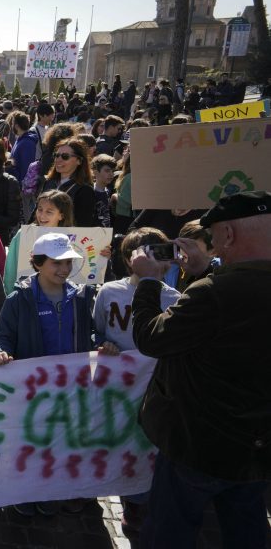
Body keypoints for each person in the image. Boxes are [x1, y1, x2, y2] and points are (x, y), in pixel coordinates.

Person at [129, 191, 271, 548]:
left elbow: (152, 338)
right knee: (247, 530)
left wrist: (147, 282)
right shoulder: (217, 286)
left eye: (215, 235)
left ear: (229, 235)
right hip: (257, 448)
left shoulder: (215, 292)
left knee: (168, 533)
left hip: (198, 444)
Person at [0, 232, 97, 517]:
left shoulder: (81, 297)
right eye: (56, 263)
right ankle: (25, 493)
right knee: (30, 441)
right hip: (32, 392)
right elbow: (3, 335)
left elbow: (89, 333)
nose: (64, 269)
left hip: (69, 389)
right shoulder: (18, 300)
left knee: (59, 441)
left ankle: (50, 491)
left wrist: (102, 344)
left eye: (68, 263)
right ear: (38, 263)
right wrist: (0, 351)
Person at [93, 227, 181, 531]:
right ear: (132, 260)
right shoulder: (109, 292)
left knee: (148, 443)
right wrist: (102, 344)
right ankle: (130, 499)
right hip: (116, 388)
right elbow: (98, 330)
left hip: (155, 386)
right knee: (119, 440)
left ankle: (143, 502)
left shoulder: (175, 299)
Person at [42, 137, 98, 227]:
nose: (58, 159)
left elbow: (83, 225)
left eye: (65, 156)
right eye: (56, 155)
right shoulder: (49, 182)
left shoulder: (84, 190)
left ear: (79, 161)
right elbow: (35, 213)